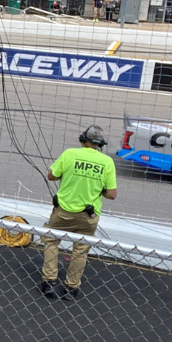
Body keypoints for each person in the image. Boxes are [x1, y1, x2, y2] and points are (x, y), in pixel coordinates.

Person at [39, 125, 117, 300]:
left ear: (83, 139)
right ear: (100, 144)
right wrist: (100, 190)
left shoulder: (70, 154)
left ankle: (49, 281)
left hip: (63, 211)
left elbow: (51, 176)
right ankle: (71, 288)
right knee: (81, 250)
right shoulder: (107, 162)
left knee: (51, 241)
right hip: (89, 215)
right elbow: (112, 194)